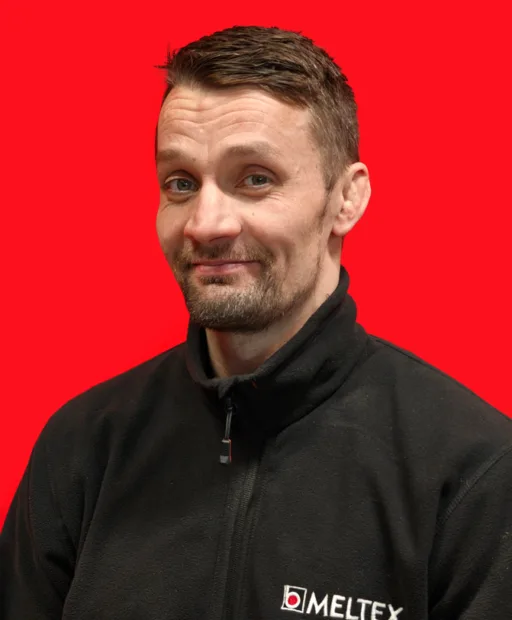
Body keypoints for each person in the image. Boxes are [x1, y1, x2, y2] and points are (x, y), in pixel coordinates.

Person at [1, 24, 511, 620]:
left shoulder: (474, 472)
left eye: (256, 179)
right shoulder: (83, 448)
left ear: (346, 199)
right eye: (181, 183)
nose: (205, 224)